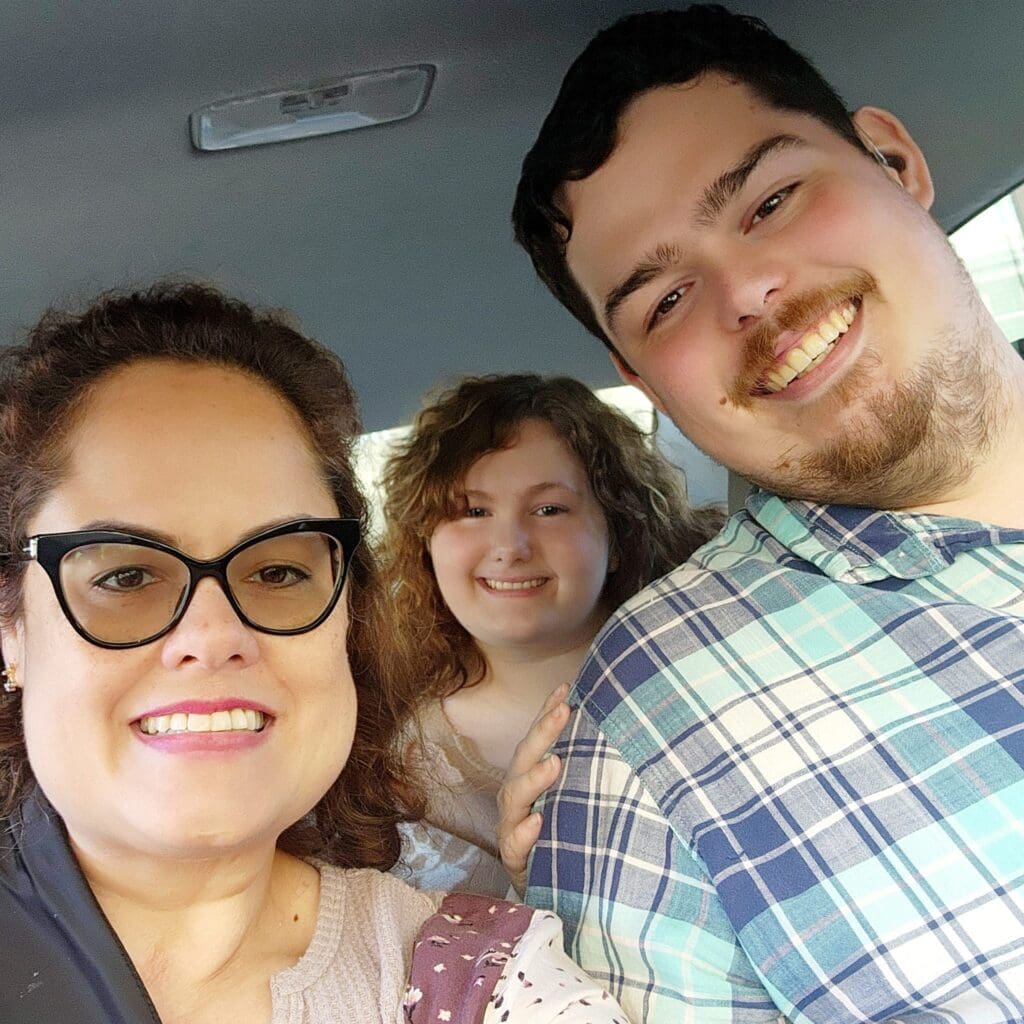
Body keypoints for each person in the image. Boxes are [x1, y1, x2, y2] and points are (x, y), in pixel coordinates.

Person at [502, 5, 1024, 1023]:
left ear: (894, 161)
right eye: (663, 302)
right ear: (641, 379)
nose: (745, 292)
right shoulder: (647, 743)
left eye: (771, 201)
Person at [0, 283, 629, 1024]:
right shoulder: (419, 741)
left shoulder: (485, 983)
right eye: (124, 576)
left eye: (277, 572)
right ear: (11, 628)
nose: (213, 635)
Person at [376, 373, 722, 895]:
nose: (510, 547)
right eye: (473, 511)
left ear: (618, 535)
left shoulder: (712, 686)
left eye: (549, 509)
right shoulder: (382, 757)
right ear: (425, 542)